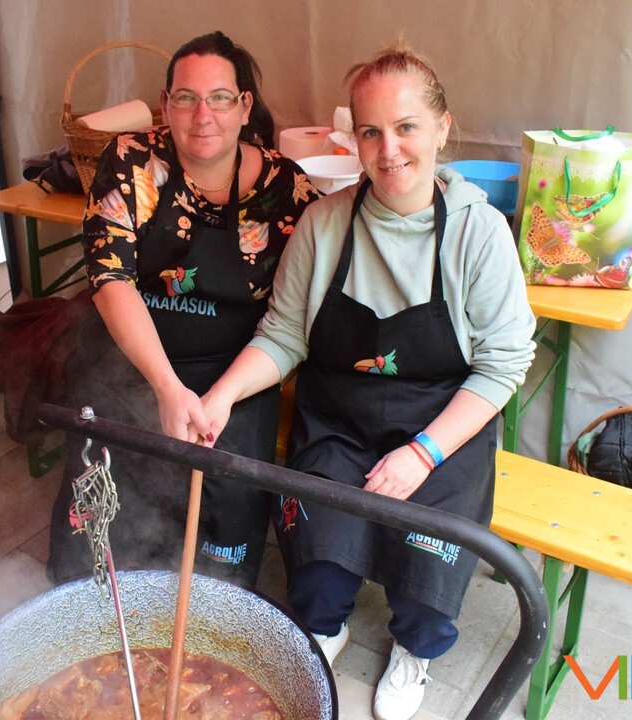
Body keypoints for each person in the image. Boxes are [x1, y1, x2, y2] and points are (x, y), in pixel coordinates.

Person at [199, 44, 536, 720]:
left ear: (442, 128)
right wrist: (220, 397)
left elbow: (502, 365)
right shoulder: (325, 224)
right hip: (339, 421)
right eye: (371, 131)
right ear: (353, 138)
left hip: (442, 427)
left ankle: (413, 652)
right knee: (319, 572)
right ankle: (326, 631)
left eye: (407, 127)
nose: (389, 150)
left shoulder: (478, 234)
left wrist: (423, 454)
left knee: (427, 585)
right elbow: (283, 335)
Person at [47, 31, 319, 588]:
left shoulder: (286, 186)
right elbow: (110, 277)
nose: (202, 115)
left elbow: (296, 314)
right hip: (132, 361)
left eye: (219, 98)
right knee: (106, 509)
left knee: (227, 519)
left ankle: (210, 606)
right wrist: (166, 387)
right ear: (165, 104)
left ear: (244, 105)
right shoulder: (131, 160)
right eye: (186, 98)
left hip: (236, 376)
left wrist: (219, 395)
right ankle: (99, 601)